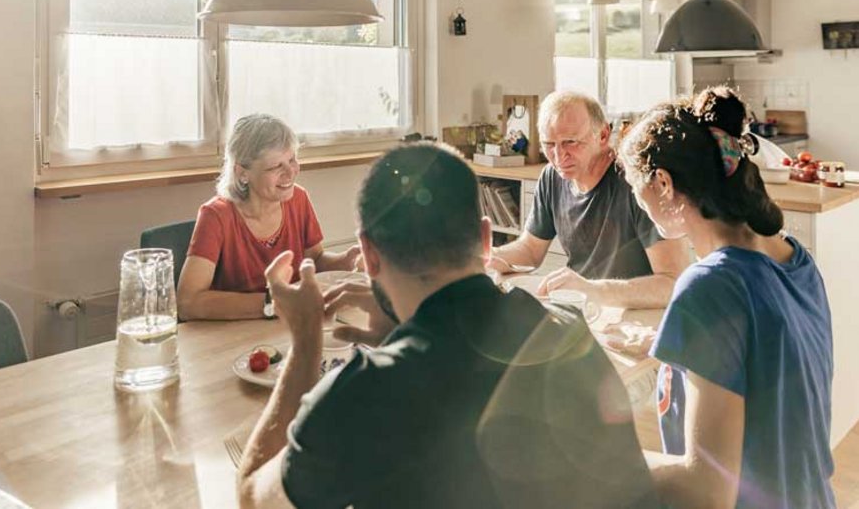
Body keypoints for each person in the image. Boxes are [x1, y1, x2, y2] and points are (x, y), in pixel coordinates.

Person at [236, 143, 659, 508]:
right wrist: (398, 337)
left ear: (368, 254)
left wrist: (306, 343)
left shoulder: (366, 391)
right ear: (487, 239)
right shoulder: (568, 329)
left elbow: (254, 499)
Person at [617, 86, 834, 508]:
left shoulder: (708, 287)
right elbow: (763, 362)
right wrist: (674, 350)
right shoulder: (796, 260)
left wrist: (601, 460)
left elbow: (706, 491)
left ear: (662, 182)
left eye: (634, 188)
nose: (636, 204)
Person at [489, 91, 689, 308]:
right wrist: (487, 258)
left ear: (603, 135)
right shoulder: (552, 176)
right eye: (549, 144)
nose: (559, 156)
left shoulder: (636, 182)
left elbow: (674, 283)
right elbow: (530, 250)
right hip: (588, 308)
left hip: (640, 316)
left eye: (570, 142)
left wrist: (592, 290)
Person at [177, 114, 358, 321]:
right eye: (275, 167)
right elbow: (187, 303)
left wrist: (345, 261)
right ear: (242, 173)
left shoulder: (298, 199)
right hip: (235, 335)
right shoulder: (216, 216)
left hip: (289, 326)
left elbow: (314, 260)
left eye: (292, 160)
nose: (291, 173)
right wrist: (271, 302)